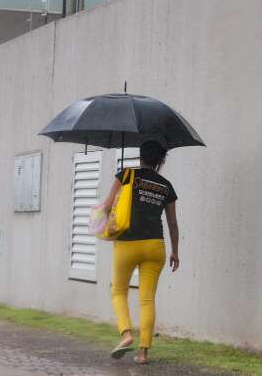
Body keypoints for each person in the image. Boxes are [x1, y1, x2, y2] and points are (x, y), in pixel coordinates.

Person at [101, 140, 180, 365]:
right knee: (147, 299)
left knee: (118, 291)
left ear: (140, 156)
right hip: (156, 245)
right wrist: (175, 252)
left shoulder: (126, 174)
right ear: (161, 160)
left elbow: (107, 206)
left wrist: (101, 221)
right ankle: (143, 353)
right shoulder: (166, 186)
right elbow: (173, 224)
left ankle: (126, 334)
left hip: (127, 243)